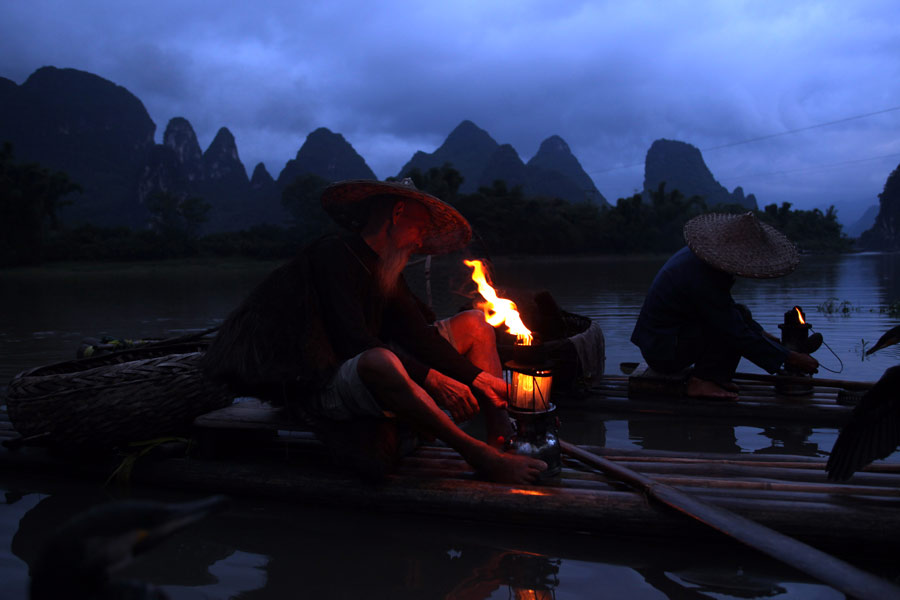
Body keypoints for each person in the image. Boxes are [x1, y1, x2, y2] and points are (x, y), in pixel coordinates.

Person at [203, 179, 547, 483]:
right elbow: (351, 341)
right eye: (420, 227)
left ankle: (502, 439)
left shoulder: (387, 271)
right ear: (397, 214)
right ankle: (479, 455)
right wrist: (434, 379)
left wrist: (478, 380)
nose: (421, 240)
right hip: (323, 383)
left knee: (475, 322)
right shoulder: (333, 255)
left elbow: (418, 336)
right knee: (380, 359)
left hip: (374, 367)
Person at [630, 212, 819, 399]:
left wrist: (765, 337)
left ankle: (715, 377)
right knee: (729, 329)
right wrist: (790, 358)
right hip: (663, 352)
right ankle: (701, 382)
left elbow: (729, 310)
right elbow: (732, 329)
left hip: (669, 338)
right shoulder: (702, 276)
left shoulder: (700, 259)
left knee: (740, 313)